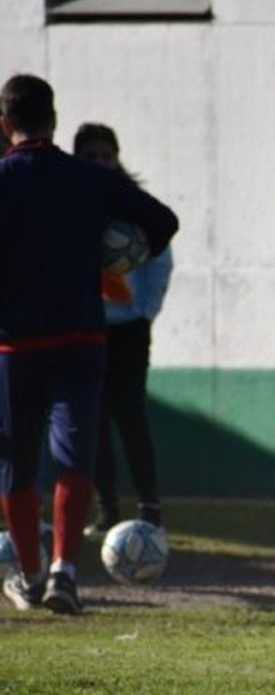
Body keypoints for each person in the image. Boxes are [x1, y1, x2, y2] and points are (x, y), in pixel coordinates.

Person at [0, 74, 178, 613]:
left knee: (15, 463)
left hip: (14, 345)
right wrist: (117, 251)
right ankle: (65, 572)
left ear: (5, 124)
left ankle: (30, 575)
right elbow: (163, 221)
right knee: (75, 456)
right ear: (54, 119)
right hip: (81, 338)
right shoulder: (87, 179)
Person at [72, 122, 170, 533]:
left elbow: (160, 258)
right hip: (85, 327)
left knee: (130, 414)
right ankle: (107, 505)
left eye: (105, 156)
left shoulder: (133, 204)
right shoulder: (71, 202)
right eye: (90, 156)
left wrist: (144, 310)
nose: (99, 163)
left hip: (128, 328)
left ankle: (149, 506)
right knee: (92, 419)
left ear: (117, 158)